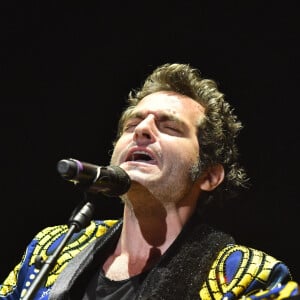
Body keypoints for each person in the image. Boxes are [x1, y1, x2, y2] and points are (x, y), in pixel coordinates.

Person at [0, 63, 299, 300]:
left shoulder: (248, 278)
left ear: (209, 176)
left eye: (169, 127)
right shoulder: (49, 249)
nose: (142, 129)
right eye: (132, 123)